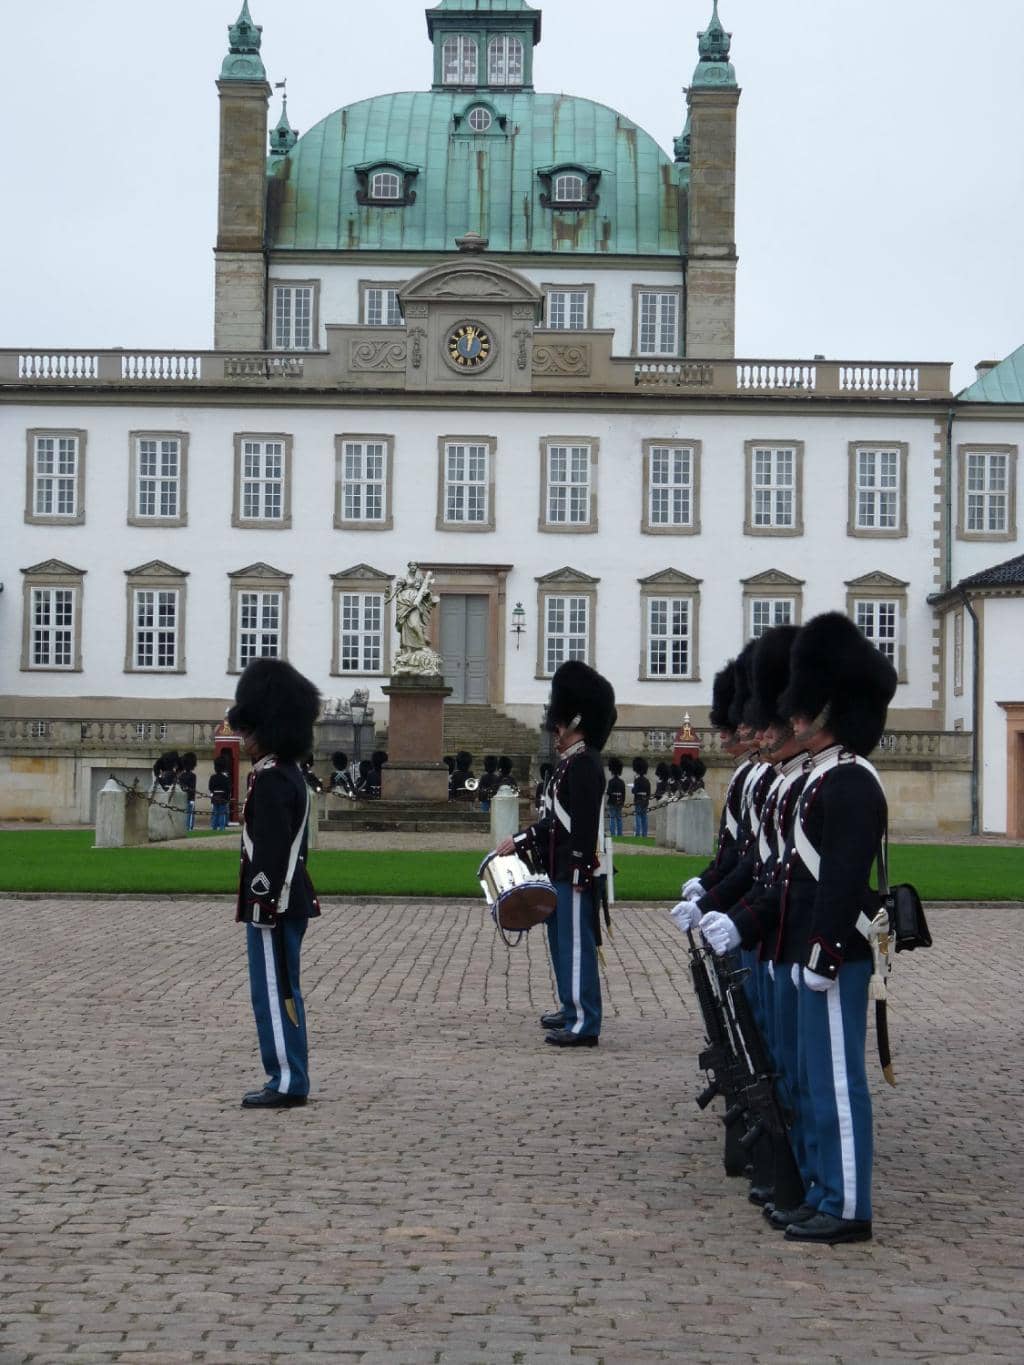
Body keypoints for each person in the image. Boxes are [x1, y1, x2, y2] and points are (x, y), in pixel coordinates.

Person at [769, 613, 895, 1244]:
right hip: (812, 952)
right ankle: (823, 1187)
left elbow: (842, 878)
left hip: (836, 955)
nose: (793, 717)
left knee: (839, 1085)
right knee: (817, 1084)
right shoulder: (821, 775)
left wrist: (820, 951)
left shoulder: (850, 780)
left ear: (830, 706)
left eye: (803, 705)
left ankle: (849, 1205)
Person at [496, 660, 617, 1048]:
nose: (555, 731)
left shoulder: (584, 765)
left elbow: (578, 827)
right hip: (559, 868)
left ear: (575, 720)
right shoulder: (570, 765)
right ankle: (570, 1006)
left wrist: (579, 869)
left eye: (560, 723)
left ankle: (585, 1022)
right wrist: (527, 839)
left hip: (575, 870)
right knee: (561, 942)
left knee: (576, 945)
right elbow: (554, 821)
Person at [228, 657, 322, 1110]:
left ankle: (286, 1078)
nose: (243, 739)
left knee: (274, 991)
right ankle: (289, 1073)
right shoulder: (286, 775)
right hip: (286, 900)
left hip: (275, 904)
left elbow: (270, 850)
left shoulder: (271, 780)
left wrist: (262, 901)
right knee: (281, 989)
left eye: (248, 731)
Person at [208, 756, 232, 830]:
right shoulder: (225, 778)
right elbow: (228, 789)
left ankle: (214, 827)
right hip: (223, 797)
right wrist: (227, 798)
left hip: (215, 796)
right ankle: (222, 828)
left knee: (215, 813)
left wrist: (214, 793)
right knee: (222, 814)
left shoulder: (213, 777)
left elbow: (210, 787)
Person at [605, 756, 626, 837]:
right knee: (619, 819)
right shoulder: (622, 782)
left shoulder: (611, 781)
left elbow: (609, 792)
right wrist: (622, 801)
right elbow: (623, 793)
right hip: (620, 801)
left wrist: (608, 792)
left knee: (612, 819)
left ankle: (613, 834)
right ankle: (620, 834)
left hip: (612, 802)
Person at [631, 757, 651, 836]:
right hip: (645, 800)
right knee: (644, 817)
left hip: (638, 799)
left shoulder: (637, 780)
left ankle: (638, 834)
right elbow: (649, 792)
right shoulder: (647, 780)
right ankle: (645, 834)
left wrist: (634, 784)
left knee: (638, 817)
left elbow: (634, 791)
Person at [178, 751, 198, 831]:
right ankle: (189, 828)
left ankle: (184, 827)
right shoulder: (193, 776)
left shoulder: (181, 775)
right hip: (190, 798)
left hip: (183, 797)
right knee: (190, 814)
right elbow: (192, 787)